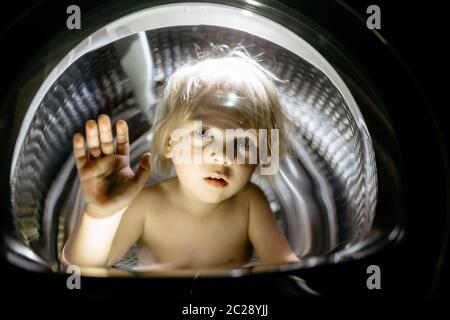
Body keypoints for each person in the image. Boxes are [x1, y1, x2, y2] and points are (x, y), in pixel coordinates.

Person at [62, 51, 299, 270]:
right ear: (169, 144)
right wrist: (101, 215)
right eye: (204, 133)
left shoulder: (249, 203)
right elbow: (83, 269)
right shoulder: (146, 204)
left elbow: (286, 269)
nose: (224, 155)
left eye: (245, 143)